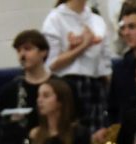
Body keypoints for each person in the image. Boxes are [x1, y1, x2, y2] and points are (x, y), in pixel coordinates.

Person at [42, 0, 112, 131]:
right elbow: (51, 64)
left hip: (95, 84)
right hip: (67, 85)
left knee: (97, 133)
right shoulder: (55, 18)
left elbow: (105, 63)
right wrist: (83, 46)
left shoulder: (97, 20)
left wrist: (107, 86)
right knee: (72, 134)